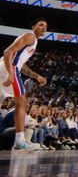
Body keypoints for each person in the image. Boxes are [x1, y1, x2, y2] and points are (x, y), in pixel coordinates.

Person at [1, 18, 48, 151]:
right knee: (22, 103)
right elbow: (7, 52)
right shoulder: (30, 36)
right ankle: (20, 142)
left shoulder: (33, 41)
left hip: (6, 67)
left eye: (45, 26)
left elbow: (22, 65)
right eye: (40, 25)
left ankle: (19, 141)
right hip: (9, 67)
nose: (44, 27)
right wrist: (10, 73)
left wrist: (36, 76)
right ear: (33, 26)